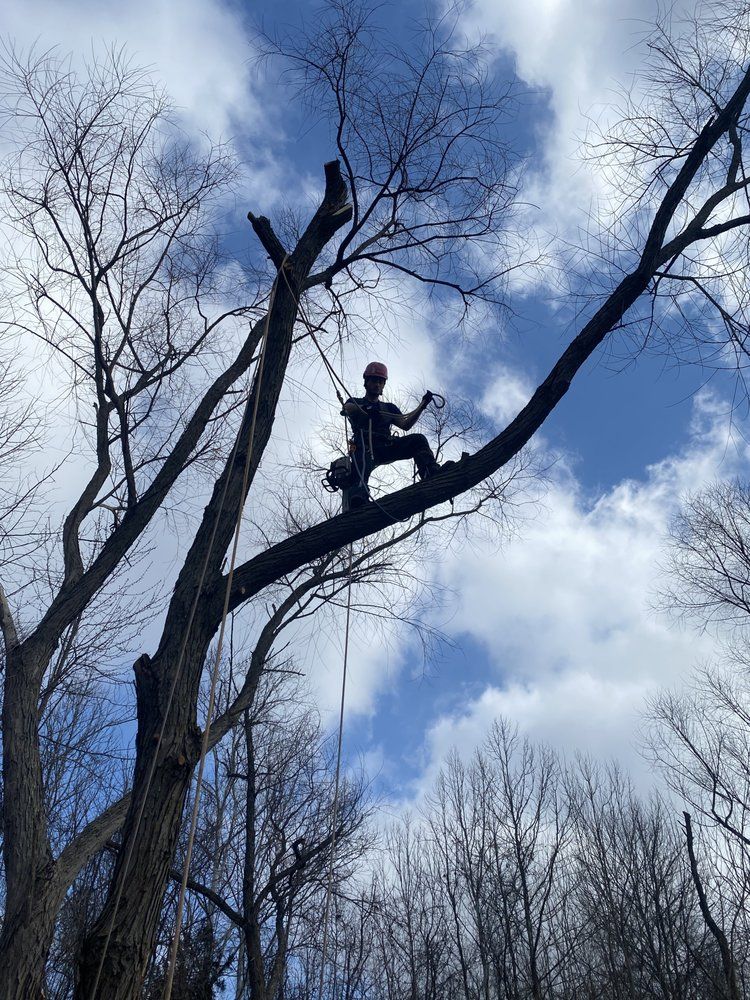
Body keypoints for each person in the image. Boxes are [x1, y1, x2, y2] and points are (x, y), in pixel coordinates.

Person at [342, 361, 442, 490]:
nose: (377, 384)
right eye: (374, 381)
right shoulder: (355, 402)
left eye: (381, 382)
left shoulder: (389, 408)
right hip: (364, 448)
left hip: (387, 446)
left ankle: (430, 472)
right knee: (361, 465)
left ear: (383, 385)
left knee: (418, 440)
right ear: (366, 382)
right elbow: (347, 408)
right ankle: (358, 496)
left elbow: (405, 425)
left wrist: (423, 405)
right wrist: (365, 408)